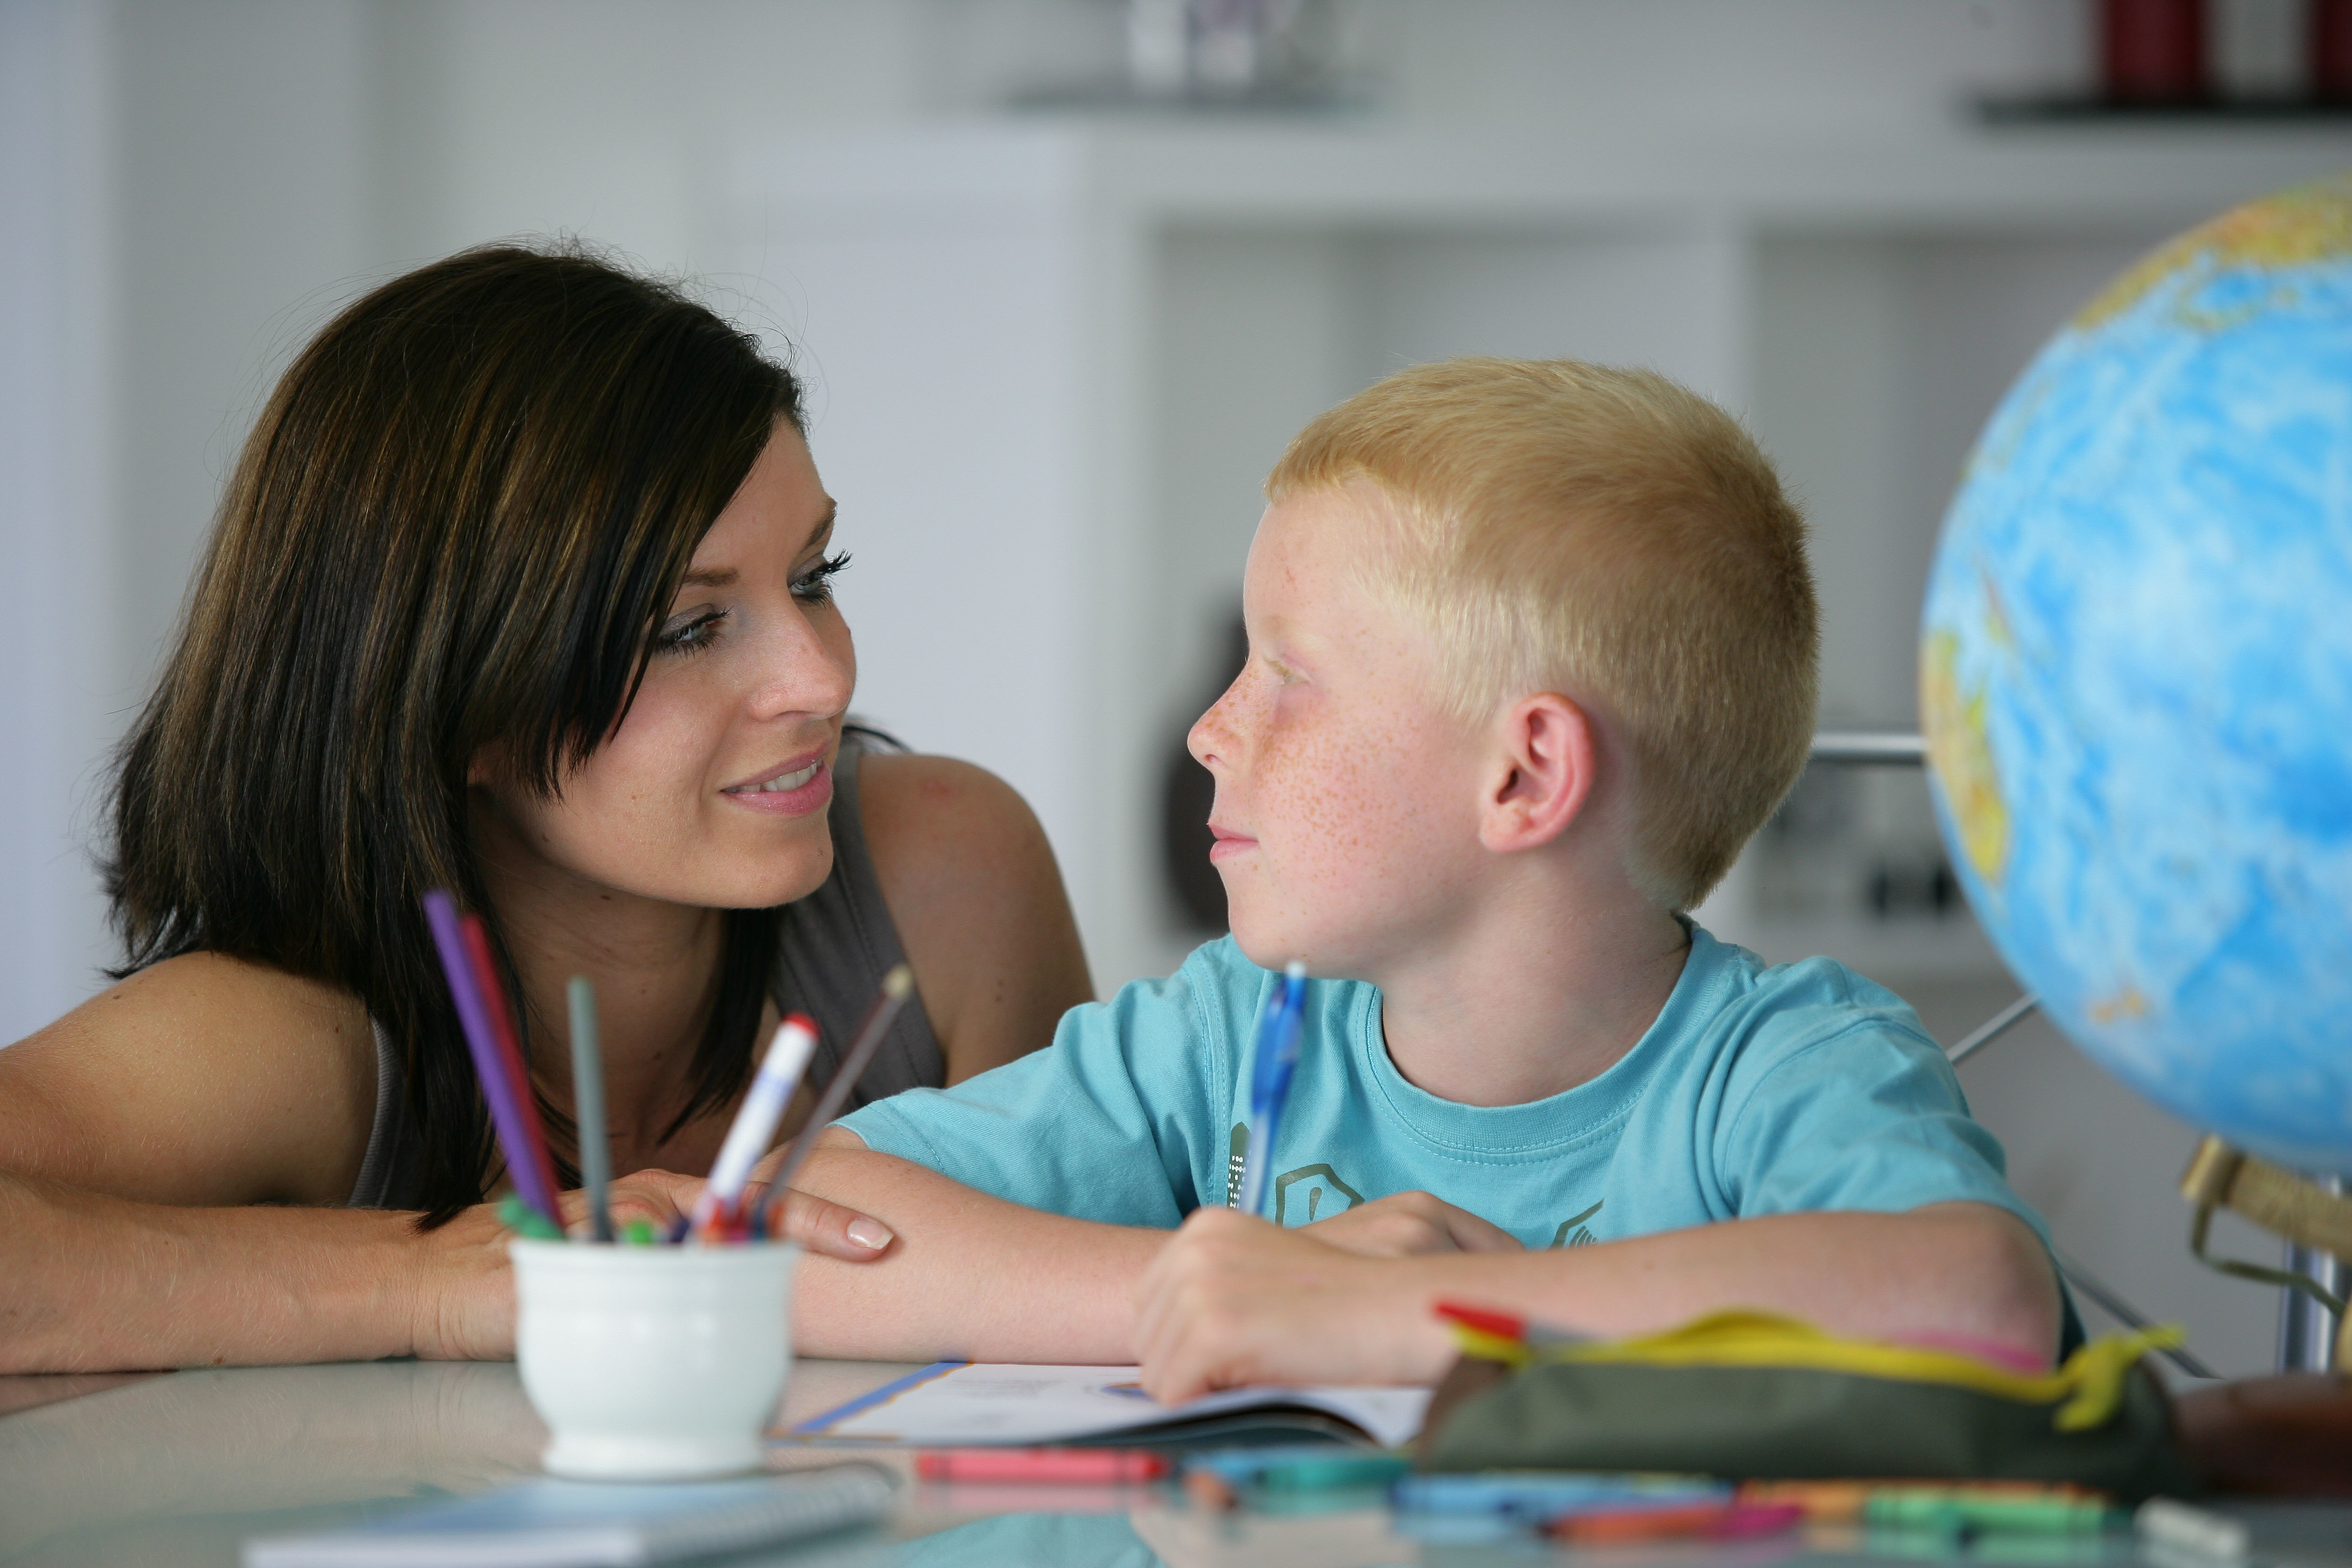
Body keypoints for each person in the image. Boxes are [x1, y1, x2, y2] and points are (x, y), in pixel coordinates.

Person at [782, 358, 2066, 1398]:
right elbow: (798, 1222)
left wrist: (1407, 1315)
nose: (1210, 730)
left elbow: (1979, 1300)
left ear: (1522, 779)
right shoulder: (1231, 1034)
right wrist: (1230, 1289)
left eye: (1285, 675)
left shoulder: (1783, 1066)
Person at [0, 245, 1092, 1373]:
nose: (820, 678)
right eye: (688, 630)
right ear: (462, 705)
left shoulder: (949, 866)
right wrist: (432, 1283)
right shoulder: (295, 1039)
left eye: (814, 575)